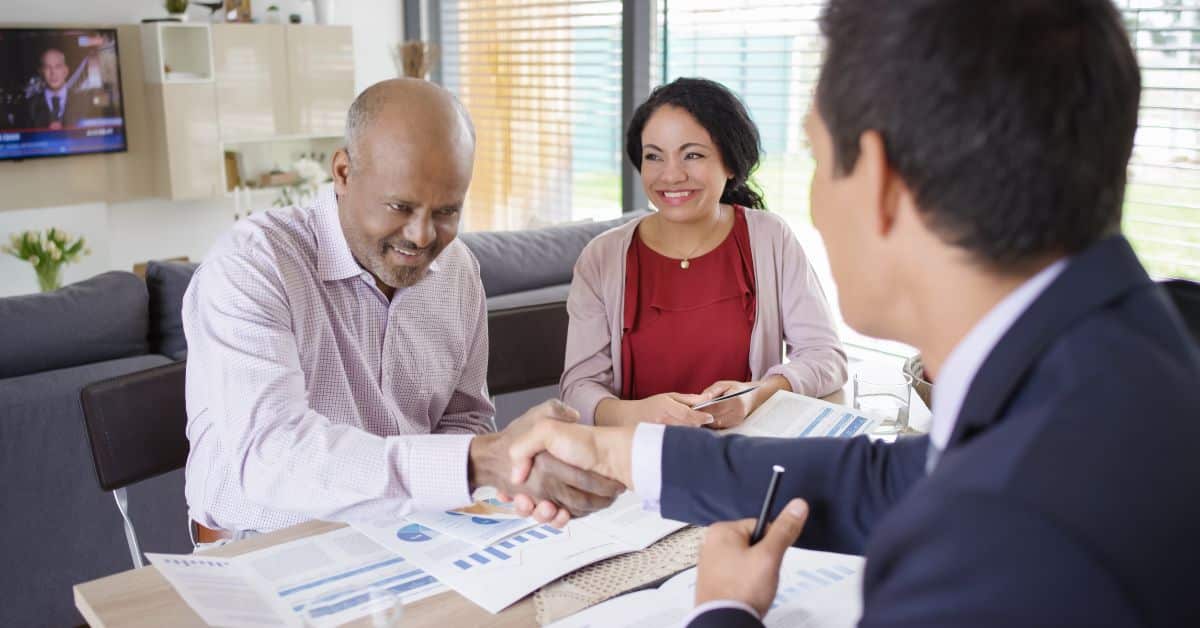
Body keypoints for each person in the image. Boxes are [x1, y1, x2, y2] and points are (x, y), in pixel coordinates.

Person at [503, 1, 1200, 626]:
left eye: (817, 157)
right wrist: (617, 449)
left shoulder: (1004, 536)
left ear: (879, 180)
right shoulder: (1139, 344)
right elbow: (891, 478)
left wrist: (723, 611)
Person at [182, 78, 621, 541]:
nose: (422, 236)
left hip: (411, 532)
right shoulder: (253, 263)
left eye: (447, 211)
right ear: (343, 172)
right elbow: (272, 458)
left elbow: (463, 420)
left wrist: (520, 465)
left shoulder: (458, 271)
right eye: (400, 206)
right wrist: (482, 460)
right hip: (264, 544)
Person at [560, 78, 846, 430]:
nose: (671, 175)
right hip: (635, 460)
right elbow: (577, 388)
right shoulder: (601, 258)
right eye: (654, 156)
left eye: (692, 155)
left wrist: (757, 393)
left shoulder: (770, 238)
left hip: (745, 455)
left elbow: (825, 356)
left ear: (730, 163)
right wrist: (636, 414)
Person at [25, 48, 94, 129]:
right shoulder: (29, 106)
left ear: (65, 71)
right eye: (47, 67)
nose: (53, 73)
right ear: (41, 72)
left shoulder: (85, 103)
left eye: (57, 67)